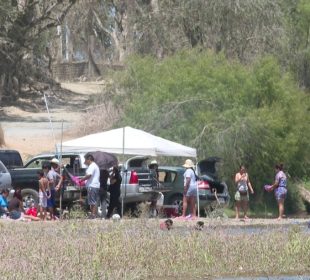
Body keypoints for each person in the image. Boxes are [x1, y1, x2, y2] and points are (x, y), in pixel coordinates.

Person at [80, 154, 100, 219]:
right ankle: (93, 214)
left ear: (89, 159)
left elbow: (89, 175)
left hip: (92, 186)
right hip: (93, 186)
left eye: (86, 159)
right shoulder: (93, 166)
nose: (85, 161)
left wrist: (82, 180)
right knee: (92, 201)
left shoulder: (92, 166)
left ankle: (93, 215)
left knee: (92, 201)